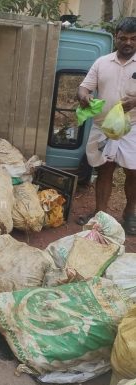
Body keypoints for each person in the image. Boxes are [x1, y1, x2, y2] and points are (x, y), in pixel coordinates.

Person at [77, 17, 136, 235]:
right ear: (116, 38)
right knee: (104, 170)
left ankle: (130, 214)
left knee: (133, 173)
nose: (128, 42)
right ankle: (100, 215)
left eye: (133, 39)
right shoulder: (102, 62)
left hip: (133, 128)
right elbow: (84, 88)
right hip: (103, 127)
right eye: (123, 38)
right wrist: (84, 97)